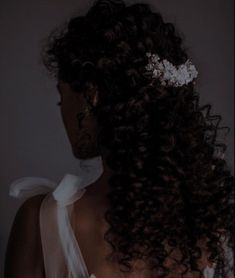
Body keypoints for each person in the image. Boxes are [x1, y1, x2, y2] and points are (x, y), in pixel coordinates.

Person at [4, 0, 234, 277]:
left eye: (61, 97)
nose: (61, 109)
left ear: (91, 97)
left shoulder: (43, 223)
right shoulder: (217, 231)